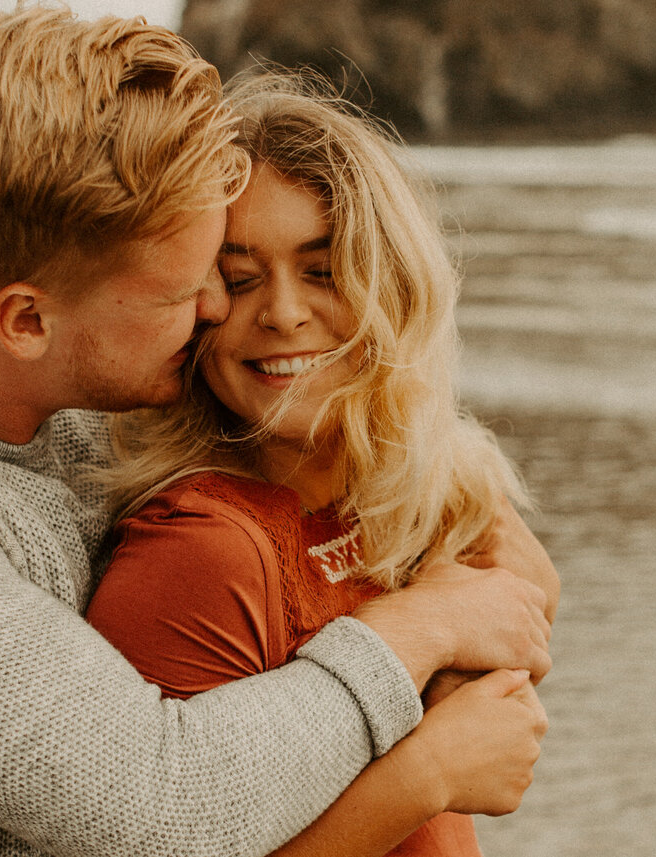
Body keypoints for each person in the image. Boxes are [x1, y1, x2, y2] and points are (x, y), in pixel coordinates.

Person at [0, 7, 552, 857]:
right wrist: (429, 631)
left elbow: (355, 450)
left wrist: (492, 542)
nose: (221, 311)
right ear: (26, 319)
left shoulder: (68, 379)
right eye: (193, 288)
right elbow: (163, 806)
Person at [87, 72, 559, 856]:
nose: (281, 311)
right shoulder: (201, 551)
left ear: (393, 282)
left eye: (322, 269)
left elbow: (523, 611)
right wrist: (431, 771)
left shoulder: (423, 492)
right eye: (238, 280)